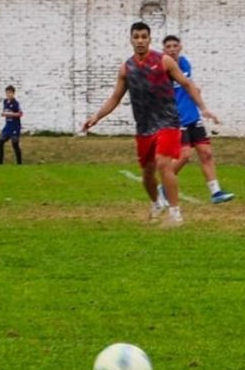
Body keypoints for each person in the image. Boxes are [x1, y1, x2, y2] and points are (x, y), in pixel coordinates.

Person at [82, 22, 218, 227]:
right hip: (144, 127)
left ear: (149, 39)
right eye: (136, 37)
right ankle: (156, 203)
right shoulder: (126, 68)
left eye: (144, 37)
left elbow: (187, 84)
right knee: (147, 174)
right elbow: (115, 97)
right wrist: (97, 117)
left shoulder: (164, 61)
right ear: (130, 39)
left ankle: (175, 214)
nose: (140, 41)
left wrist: (203, 107)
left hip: (168, 122)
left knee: (164, 164)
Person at [160, 35, 235, 204]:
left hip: (192, 116)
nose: (172, 49)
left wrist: (204, 108)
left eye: (175, 45)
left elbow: (188, 86)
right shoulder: (162, 69)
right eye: (168, 46)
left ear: (180, 47)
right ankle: (164, 187)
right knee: (184, 155)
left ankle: (216, 192)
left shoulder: (185, 63)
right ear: (164, 50)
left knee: (206, 153)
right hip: (176, 118)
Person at [0, 85, 23, 165]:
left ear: (13, 93)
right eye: (7, 93)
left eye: (10, 93)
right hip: (7, 127)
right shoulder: (5, 102)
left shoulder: (15, 103)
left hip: (15, 127)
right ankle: (0, 163)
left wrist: (11, 114)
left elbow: (20, 114)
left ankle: (19, 163)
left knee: (15, 144)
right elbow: (4, 112)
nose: (9, 95)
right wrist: (4, 114)